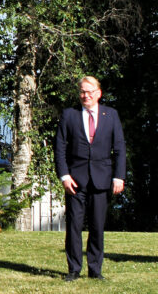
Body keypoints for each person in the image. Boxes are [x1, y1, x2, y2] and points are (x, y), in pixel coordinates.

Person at [54, 76, 126, 281]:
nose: (86, 95)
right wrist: (64, 176)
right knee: (74, 226)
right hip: (75, 181)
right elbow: (59, 148)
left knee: (97, 226)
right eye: (82, 92)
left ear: (99, 93)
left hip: (102, 179)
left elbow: (119, 148)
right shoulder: (69, 115)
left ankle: (95, 270)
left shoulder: (111, 115)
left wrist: (119, 176)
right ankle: (74, 270)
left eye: (89, 91)